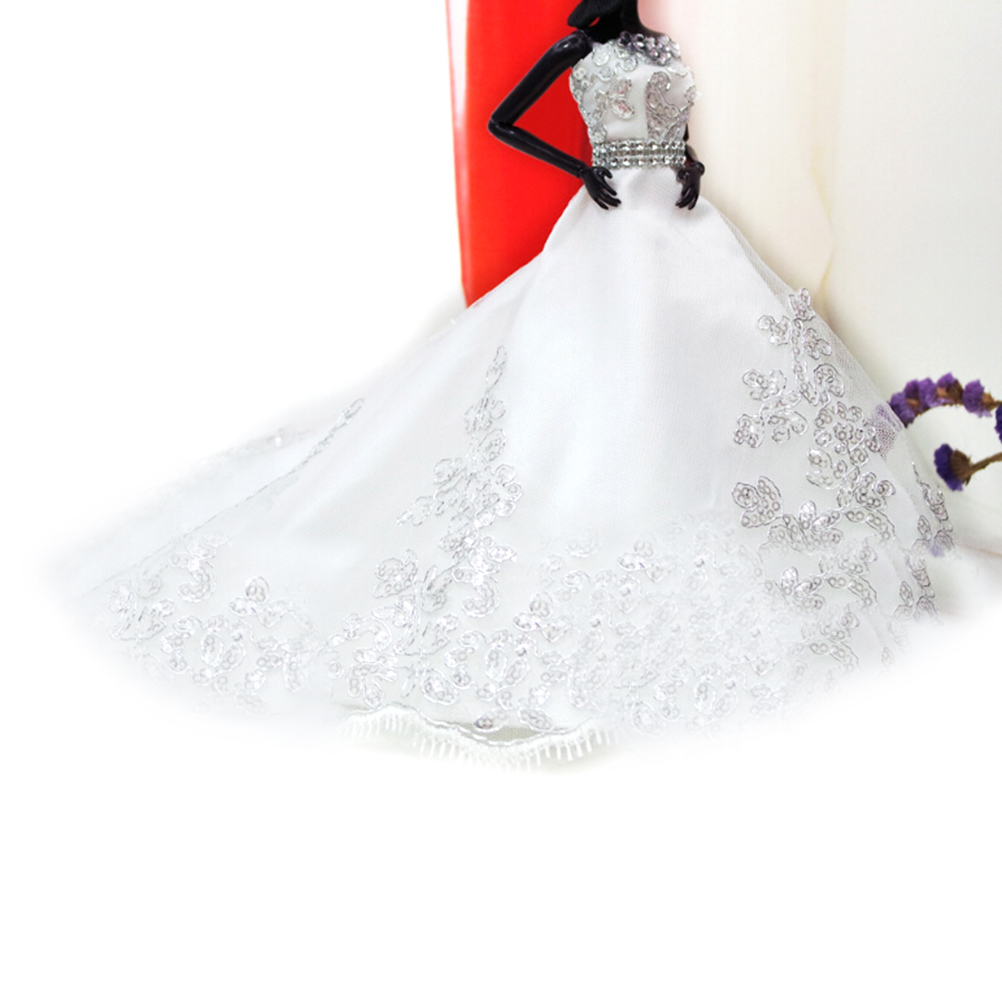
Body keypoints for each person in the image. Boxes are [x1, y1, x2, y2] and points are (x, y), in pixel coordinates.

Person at [70, 0, 955, 764]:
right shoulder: (577, 48)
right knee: (606, 363)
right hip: (615, 218)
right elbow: (505, 121)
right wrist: (584, 172)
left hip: (684, 217)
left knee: (728, 349)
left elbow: (674, 122)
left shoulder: (659, 44)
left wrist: (685, 162)